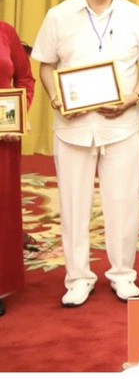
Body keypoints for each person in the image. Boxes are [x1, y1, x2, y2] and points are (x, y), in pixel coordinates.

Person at [30, 0, 139, 307]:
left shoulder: (136, 16)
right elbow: (47, 64)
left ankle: (123, 274)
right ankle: (78, 277)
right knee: (73, 203)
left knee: (124, 201)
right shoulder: (60, 15)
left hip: (121, 125)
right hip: (73, 126)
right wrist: (58, 99)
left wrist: (133, 97)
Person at [0, 19, 35, 317]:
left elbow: (25, 80)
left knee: (2, 209)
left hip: (3, 137)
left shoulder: (6, 32)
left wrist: (19, 114)